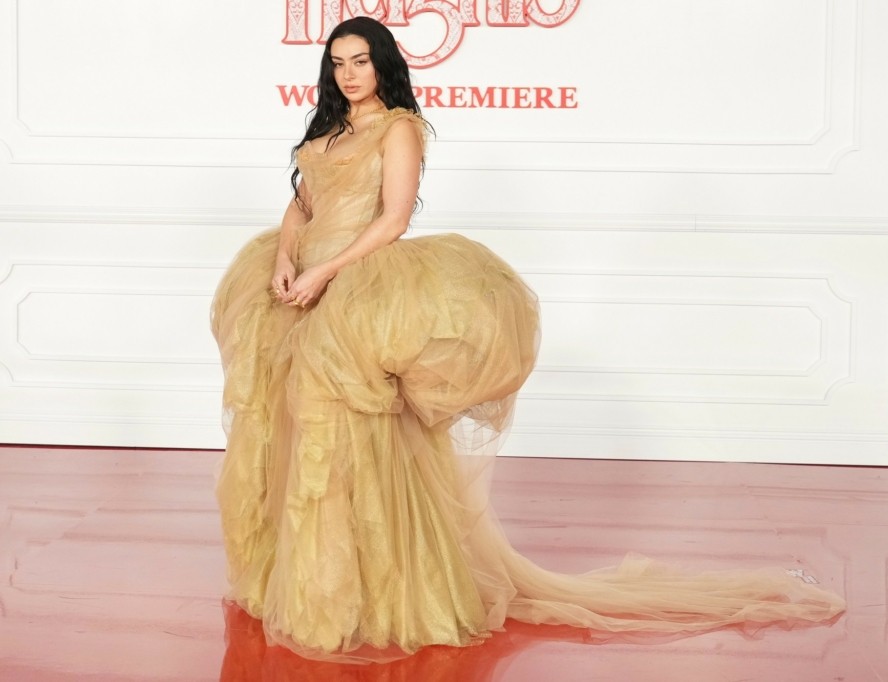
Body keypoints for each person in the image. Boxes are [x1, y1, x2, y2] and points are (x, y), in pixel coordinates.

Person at [211, 16, 845, 664]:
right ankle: (302, 585)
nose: (349, 74)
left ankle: (363, 596)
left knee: (346, 437)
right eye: (339, 62)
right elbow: (302, 205)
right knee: (289, 431)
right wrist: (287, 257)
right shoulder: (329, 128)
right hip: (300, 286)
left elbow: (395, 219)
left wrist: (325, 271)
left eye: (361, 61)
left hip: (352, 288)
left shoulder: (399, 128)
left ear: (383, 65)